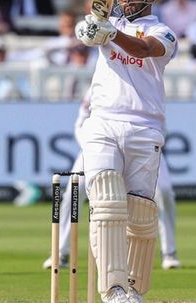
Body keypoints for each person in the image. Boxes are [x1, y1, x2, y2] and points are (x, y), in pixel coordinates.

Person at [73, 0, 178, 303]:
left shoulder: (164, 32)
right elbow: (85, 32)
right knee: (105, 203)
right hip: (102, 121)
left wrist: (109, 33)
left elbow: (144, 49)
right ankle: (114, 289)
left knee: (140, 213)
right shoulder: (111, 23)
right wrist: (92, 27)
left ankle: (133, 288)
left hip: (145, 125)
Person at [41, 91, 183, 271]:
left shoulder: (145, 84)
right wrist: (93, 146)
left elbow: (161, 124)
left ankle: (169, 252)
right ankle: (62, 251)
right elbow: (81, 123)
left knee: (163, 191)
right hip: (100, 145)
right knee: (75, 190)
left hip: (143, 144)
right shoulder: (99, 85)